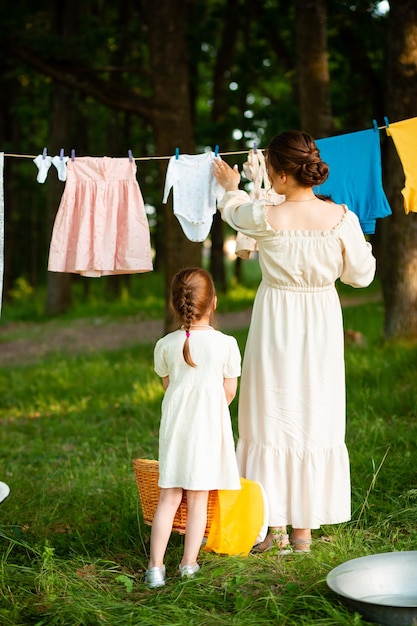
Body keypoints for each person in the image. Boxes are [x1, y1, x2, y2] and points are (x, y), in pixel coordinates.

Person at [212, 130, 376, 553]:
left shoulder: (266, 217)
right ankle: (302, 532)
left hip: (277, 320)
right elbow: (361, 276)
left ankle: (273, 528)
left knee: (270, 413)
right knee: (314, 412)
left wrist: (233, 187)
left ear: (280, 176)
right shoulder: (342, 218)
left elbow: (233, 211)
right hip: (321, 319)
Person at [145, 267, 242, 587]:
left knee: (168, 497)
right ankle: (188, 564)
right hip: (208, 428)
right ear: (213, 303)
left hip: (176, 428)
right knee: (198, 498)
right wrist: (210, 408)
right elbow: (229, 391)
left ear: (175, 305)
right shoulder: (226, 343)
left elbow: (168, 384)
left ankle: (155, 568)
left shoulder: (165, 344)